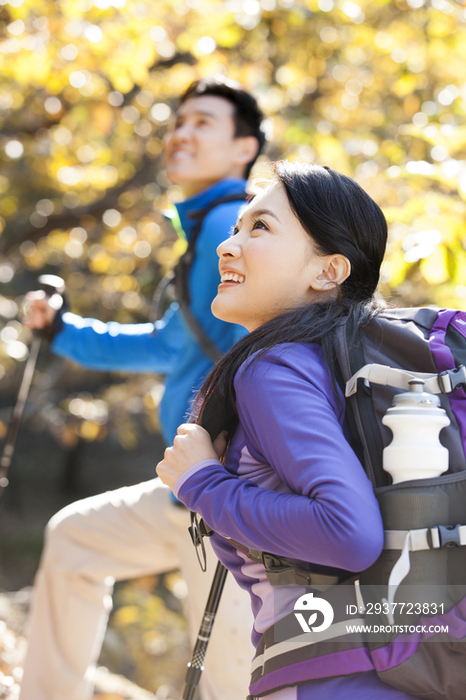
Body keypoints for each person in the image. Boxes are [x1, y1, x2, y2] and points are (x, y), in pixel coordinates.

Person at [20, 77, 265, 700]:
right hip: (188, 490)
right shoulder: (207, 228)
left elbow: (267, 340)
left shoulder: (227, 232)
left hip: (229, 498)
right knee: (75, 537)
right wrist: (63, 333)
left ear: (245, 148)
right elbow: (168, 344)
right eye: (178, 120)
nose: (181, 132)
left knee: (227, 679)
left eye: (203, 122)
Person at [157, 161, 422, 699]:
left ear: (328, 272)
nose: (227, 246)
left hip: (331, 678)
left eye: (261, 228)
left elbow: (350, 534)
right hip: (408, 669)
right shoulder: (354, 370)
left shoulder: (274, 369)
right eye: (236, 227)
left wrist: (202, 482)